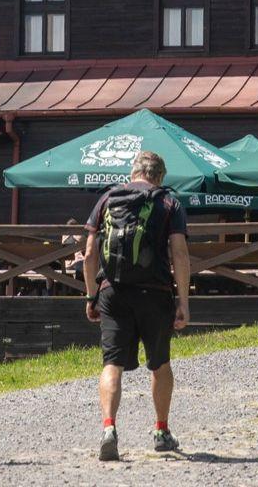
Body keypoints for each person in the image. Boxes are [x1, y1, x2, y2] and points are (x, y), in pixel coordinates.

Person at [83, 150, 190, 461]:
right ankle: (161, 431)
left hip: (112, 292)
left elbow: (89, 254)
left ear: (133, 173)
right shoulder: (168, 202)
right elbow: (180, 254)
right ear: (159, 176)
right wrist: (183, 302)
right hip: (155, 293)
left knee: (111, 363)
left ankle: (108, 429)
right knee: (160, 363)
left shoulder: (107, 199)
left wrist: (91, 296)